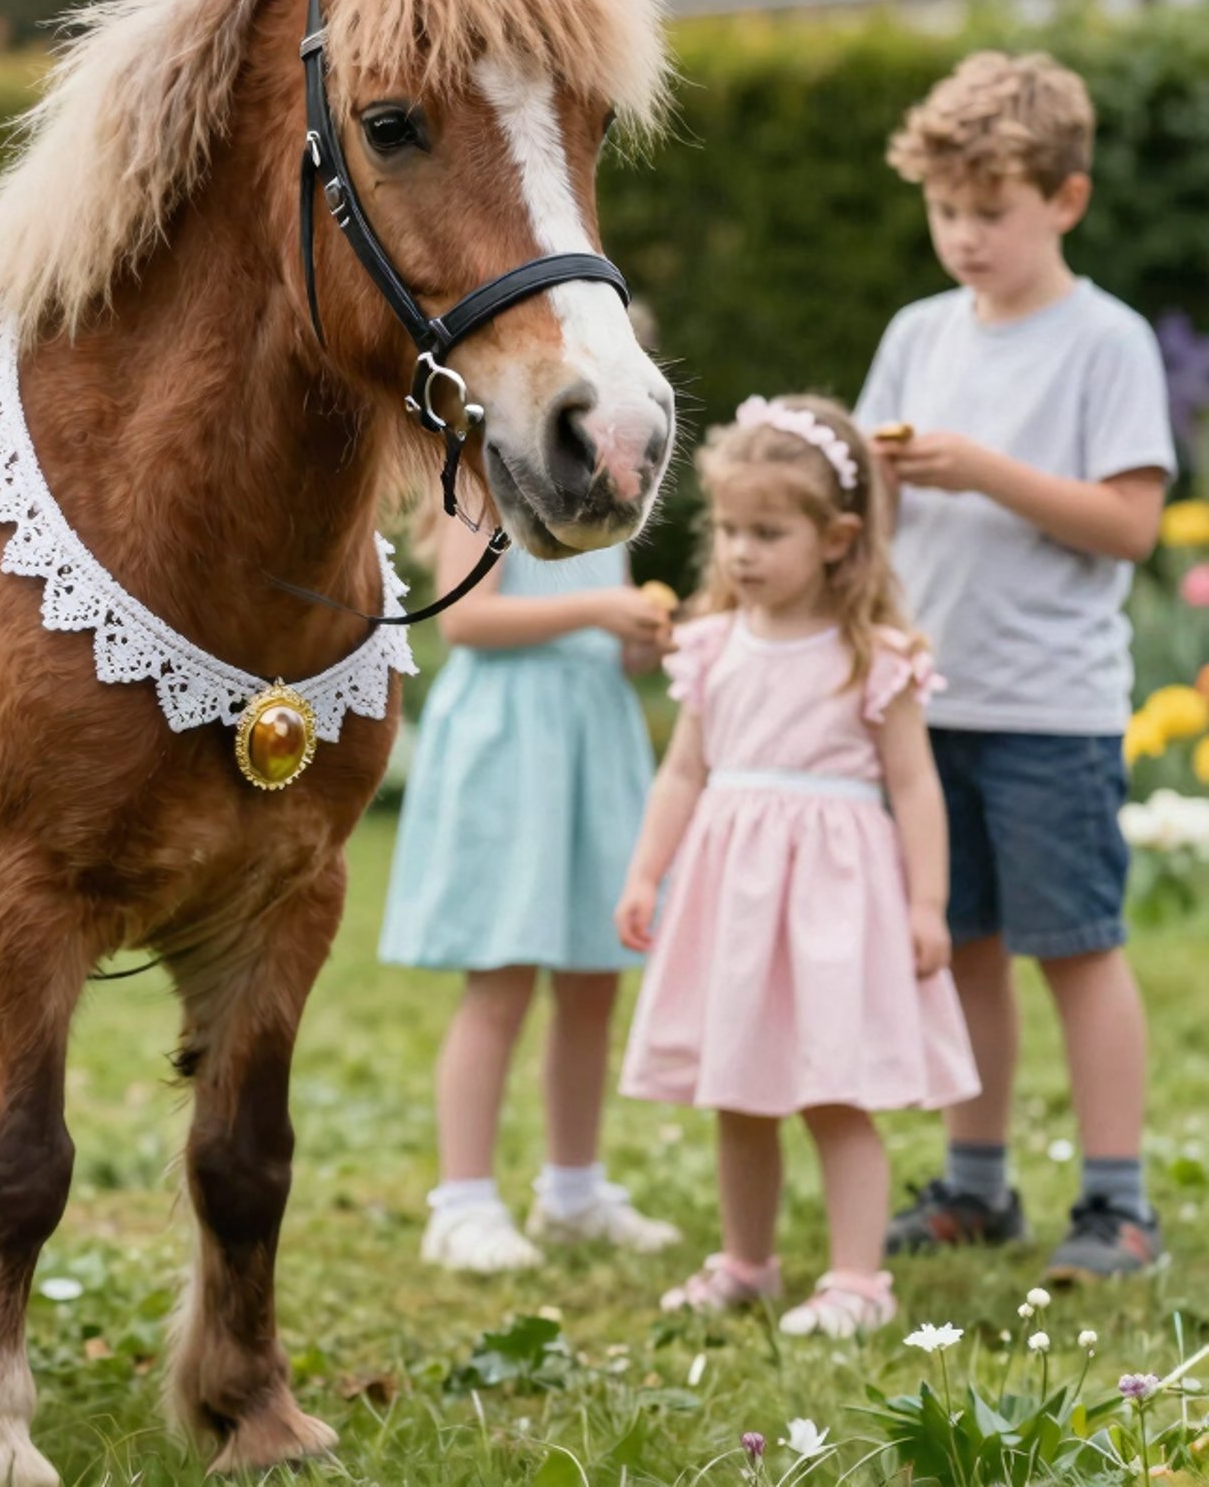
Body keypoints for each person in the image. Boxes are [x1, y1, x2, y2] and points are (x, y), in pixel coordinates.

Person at [856, 51, 1174, 1278]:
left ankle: (1117, 1204)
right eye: (946, 213)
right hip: (930, 710)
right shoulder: (917, 335)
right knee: (964, 943)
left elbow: (1129, 526)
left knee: (1077, 946)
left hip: (1052, 711)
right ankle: (975, 1184)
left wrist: (978, 466)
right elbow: (874, 507)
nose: (964, 239)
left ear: (1067, 201)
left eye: (991, 214)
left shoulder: (1108, 343)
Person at [615, 395, 979, 1337]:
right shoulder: (710, 645)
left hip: (835, 905)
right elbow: (684, 771)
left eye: (767, 531)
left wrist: (929, 904)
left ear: (836, 536)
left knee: (832, 1088)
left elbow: (919, 787)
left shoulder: (874, 655)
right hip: (730, 901)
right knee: (737, 1089)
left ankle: (860, 1279)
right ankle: (748, 1261)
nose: (740, 552)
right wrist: (647, 873)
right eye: (730, 529)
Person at [380, 506, 680, 1274]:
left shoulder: (607, 505)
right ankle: (463, 1203)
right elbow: (466, 619)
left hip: (592, 735)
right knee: (502, 978)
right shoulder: (489, 487)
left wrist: (636, 642)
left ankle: (574, 1193)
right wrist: (596, 609)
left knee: (593, 978)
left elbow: (603, 646)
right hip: (512, 740)